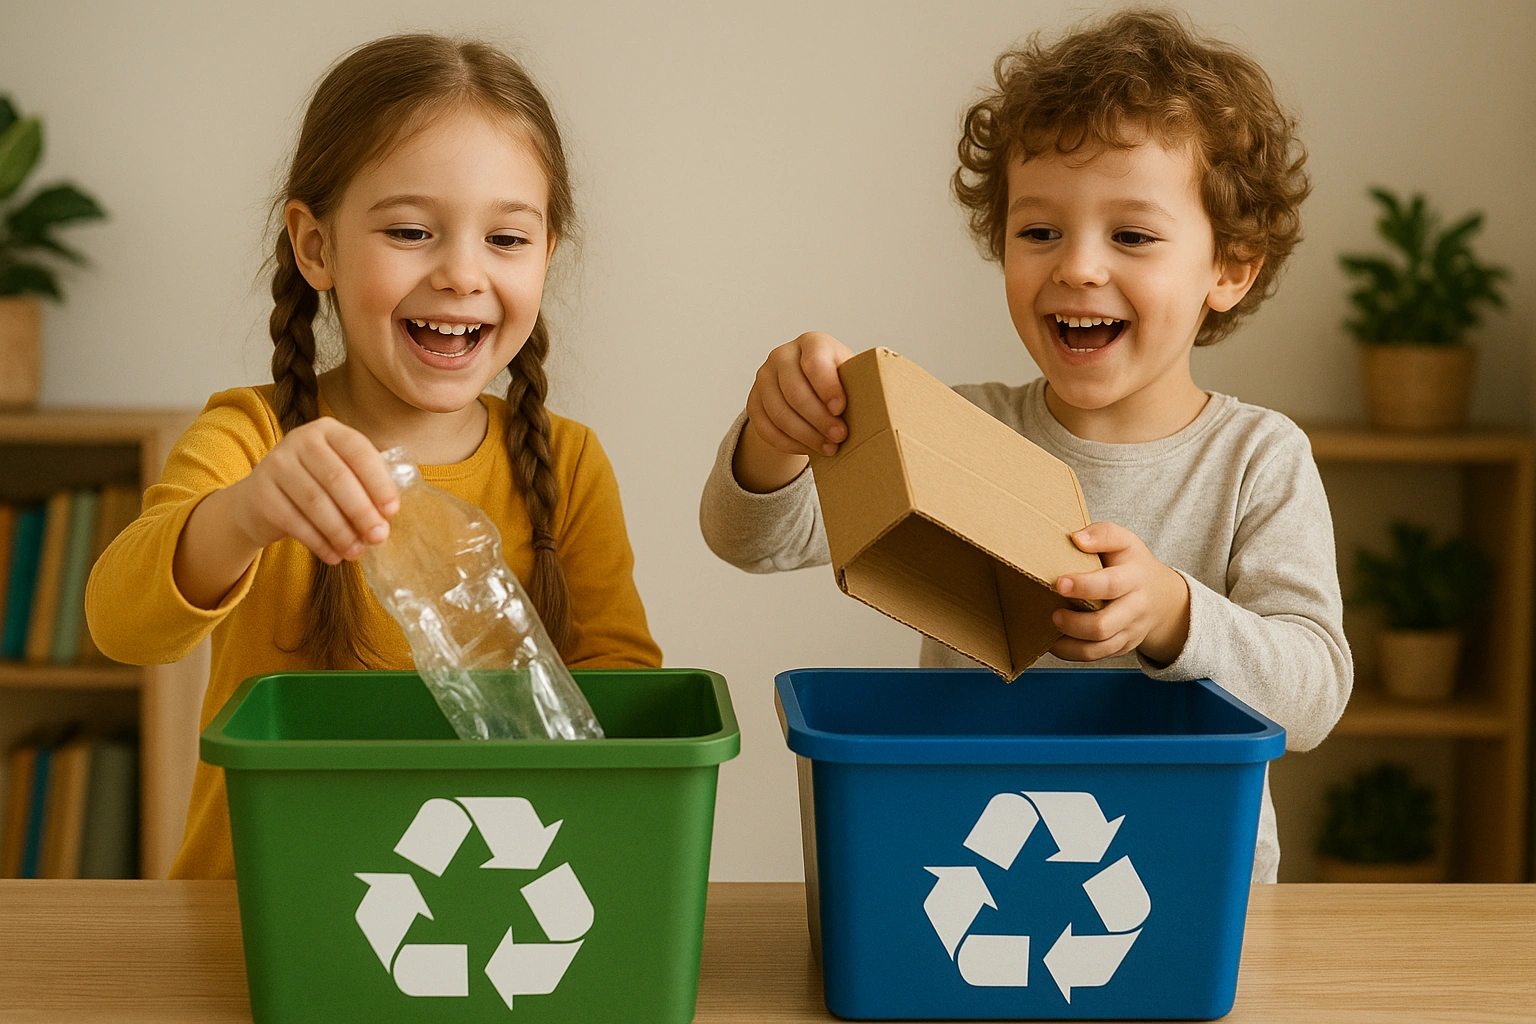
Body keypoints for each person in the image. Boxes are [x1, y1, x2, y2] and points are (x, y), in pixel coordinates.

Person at [699, 9, 1351, 883]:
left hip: (1187, 877)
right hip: (965, 871)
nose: (1078, 266)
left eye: (1132, 235)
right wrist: (778, 439)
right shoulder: (954, 434)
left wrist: (1171, 614)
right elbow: (753, 541)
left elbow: (1312, 693)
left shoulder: (1257, 459)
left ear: (1230, 267)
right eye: (1039, 231)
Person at [86, 34, 662, 880]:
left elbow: (617, 709)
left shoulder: (567, 463)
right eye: (410, 230)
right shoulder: (251, 438)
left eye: (506, 239)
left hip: (493, 918)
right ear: (314, 246)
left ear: (547, 255)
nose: (462, 273)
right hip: (256, 913)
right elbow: (121, 623)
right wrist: (246, 512)